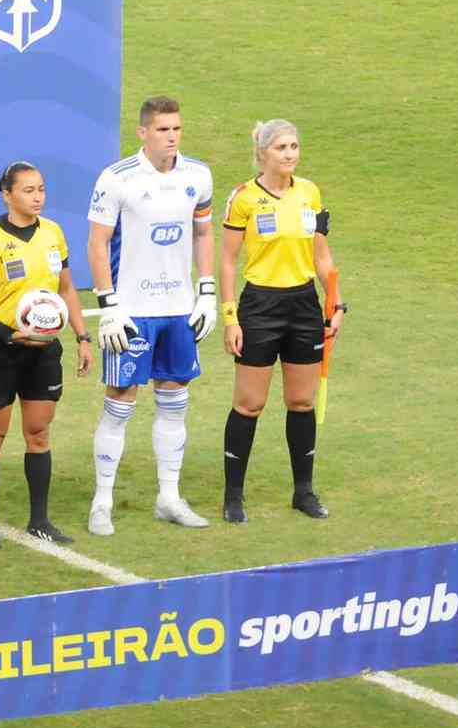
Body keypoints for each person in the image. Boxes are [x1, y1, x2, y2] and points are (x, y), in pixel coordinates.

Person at [85, 95, 217, 536]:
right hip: (133, 313)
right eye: (163, 129)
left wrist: (207, 292)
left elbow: (202, 232)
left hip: (178, 311)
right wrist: (109, 306)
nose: (172, 137)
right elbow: (98, 243)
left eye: (177, 128)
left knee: (175, 403)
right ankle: (101, 502)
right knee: (120, 403)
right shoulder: (117, 178)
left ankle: (169, 497)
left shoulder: (197, 176)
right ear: (143, 133)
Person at [219, 119, 345, 523]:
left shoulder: (309, 193)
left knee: (301, 401)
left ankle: (303, 491)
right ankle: (233, 496)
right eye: (281, 148)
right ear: (263, 153)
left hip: (304, 305)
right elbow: (227, 261)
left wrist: (335, 302)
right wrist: (230, 318)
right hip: (260, 306)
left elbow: (321, 256)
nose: (290, 154)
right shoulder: (243, 199)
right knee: (249, 403)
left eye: (294, 146)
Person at [0, 162, 93, 549]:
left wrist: (83, 336)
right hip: (2, 353)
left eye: (41, 189)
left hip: (44, 353)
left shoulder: (53, 233)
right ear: (7, 195)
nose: (37, 197)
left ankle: (39, 520)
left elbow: (67, 290)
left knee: (38, 433)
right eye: (28, 190)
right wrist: (7, 333)